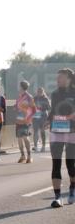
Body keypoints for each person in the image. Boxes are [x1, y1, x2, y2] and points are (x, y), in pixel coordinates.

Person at [47, 68, 75, 208]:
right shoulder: (54, 93)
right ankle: (58, 197)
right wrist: (48, 120)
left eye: (61, 77)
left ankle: (72, 188)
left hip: (72, 131)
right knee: (56, 163)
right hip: (56, 130)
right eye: (57, 77)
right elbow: (53, 110)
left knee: (71, 165)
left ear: (68, 78)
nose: (57, 80)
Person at [14, 80, 35, 163]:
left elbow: (34, 109)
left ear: (21, 87)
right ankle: (23, 156)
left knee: (25, 137)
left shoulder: (29, 97)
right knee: (19, 138)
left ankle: (29, 156)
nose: (18, 87)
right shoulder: (19, 97)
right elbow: (17, 107)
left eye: (19, 86)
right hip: (19, 120)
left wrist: (28, 118)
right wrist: (15, 107)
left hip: (26, 121)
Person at [33, 86, 52, 152]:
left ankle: (43, 146)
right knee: (35, 131)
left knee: (42, 131)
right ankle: (35, 146)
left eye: (41, 92)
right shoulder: (34, 98)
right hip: (35, 117)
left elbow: (49, 108)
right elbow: (31, 107)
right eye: (38, 91)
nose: (39, 93)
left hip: (43, 116)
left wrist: (49, 119)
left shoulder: (45, 99)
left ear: (43, 92)